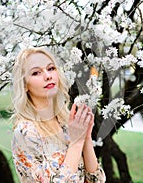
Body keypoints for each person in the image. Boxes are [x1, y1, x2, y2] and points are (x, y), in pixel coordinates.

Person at [11, 48, 106, 182]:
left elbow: (96, 180)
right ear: (25, 84)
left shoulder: (67, 122)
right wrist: (76, 143)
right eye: (36, 73)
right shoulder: (26, 132)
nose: (48, 76)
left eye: (51, 69)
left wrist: (86, 139)